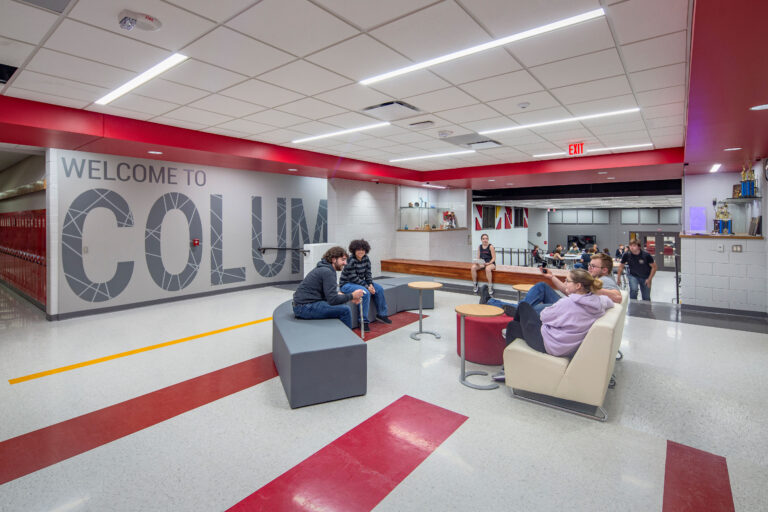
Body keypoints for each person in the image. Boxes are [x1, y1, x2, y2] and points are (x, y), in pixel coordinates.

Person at [491, 269, 614, 381]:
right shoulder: (599, 301)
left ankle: (507, 370)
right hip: (565, 345)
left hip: (550, 344)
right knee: (513, 326)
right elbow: (611, 303)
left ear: (578, 286)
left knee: (524, 307)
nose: (565, 283)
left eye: (567, 281)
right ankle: (506, 367)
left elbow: (544, 316)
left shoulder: (568, 302)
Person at [483, 252, 621, 313]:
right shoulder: (596, 279)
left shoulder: (606, 280)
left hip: (573, 309)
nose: (589, 268)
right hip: (573, 303)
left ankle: (492, 302)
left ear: (604, 270)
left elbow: (617, 297)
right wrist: (552, 276)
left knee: (528, 308)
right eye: (589, 265)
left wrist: (590, 286)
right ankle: (507, 306)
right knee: (542, 286)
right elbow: (568, 291)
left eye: (593, 266)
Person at [293, 246, 365, 329]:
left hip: (302, 305)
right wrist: (352, 295)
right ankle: (347, 340)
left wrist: (344, 295)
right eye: (343, 259)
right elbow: (333, 300)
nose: (345, 263)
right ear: (334, 259)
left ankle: (339, 333)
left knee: (342, 302)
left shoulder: (325, 268)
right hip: (304, 308)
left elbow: (327, 293)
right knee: (345, 310)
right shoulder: (327, 272)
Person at [339, 239, 391, 330]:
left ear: (366, 250)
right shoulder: (350, 260)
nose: (361, 251)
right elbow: (353, 278)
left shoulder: (366, 258)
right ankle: (363, 321)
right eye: (358, 249)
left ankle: (382, 314)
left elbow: (368, 273)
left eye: (363, 249)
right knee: (365, 293)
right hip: (347, 284)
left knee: (379, 289)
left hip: (360, 283)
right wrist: (367, 287)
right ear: (354, 250)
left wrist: (370, 284)